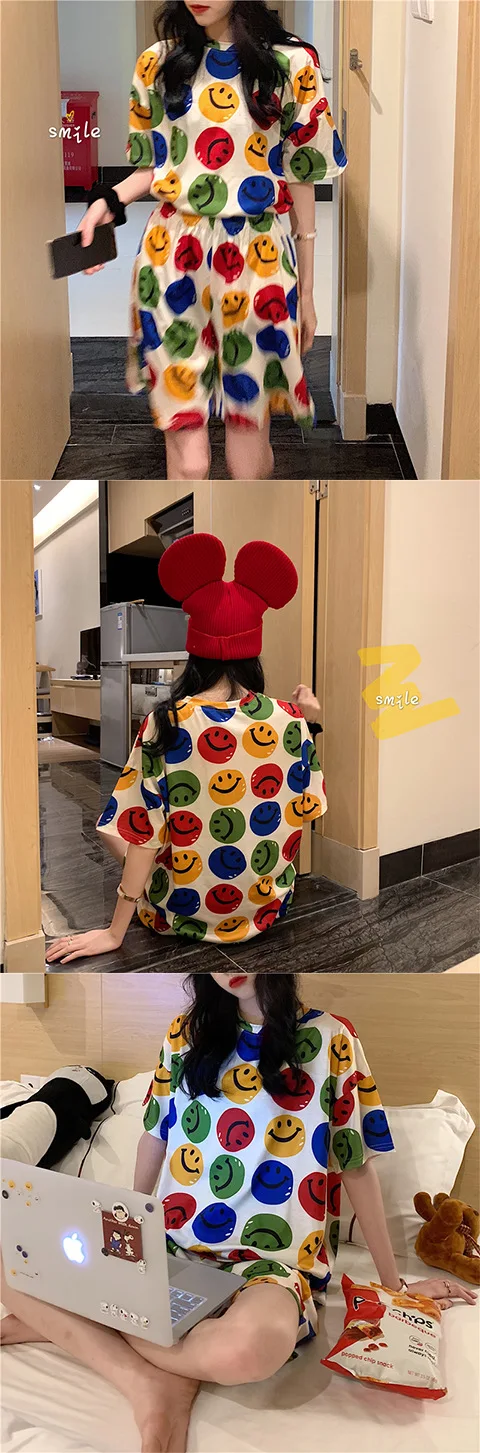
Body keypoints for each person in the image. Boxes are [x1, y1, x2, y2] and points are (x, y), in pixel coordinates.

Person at [1, 972, 475, 1453]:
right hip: (170, 1246)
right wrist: (129, 1229)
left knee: (251, 1350)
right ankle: (146, 1379)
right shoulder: (184, 1034)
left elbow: (356, 1165)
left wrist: (393, 1287)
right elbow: (155, 1136)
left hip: (271, 1267)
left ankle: (81, 1323)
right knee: (10, 1255)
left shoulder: (331, 1038)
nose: (231, 965)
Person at [78, 0, 347, 482]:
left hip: (258, 262)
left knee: (248, 450)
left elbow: (301, 174)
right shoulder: (158, 62)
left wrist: (306, 292)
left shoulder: (291, 63)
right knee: (191, 460)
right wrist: (108, 201)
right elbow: (152, 166)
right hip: (171, 257)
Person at [46, 531, 328, 966]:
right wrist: (309, 721)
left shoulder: (168, 722)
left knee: (114, 822)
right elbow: (310, 807)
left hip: (183, 915)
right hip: (268, 910)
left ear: (194, 649)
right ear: (253, 649)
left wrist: (115, 931)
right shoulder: (290, 718)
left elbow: (141, 834)